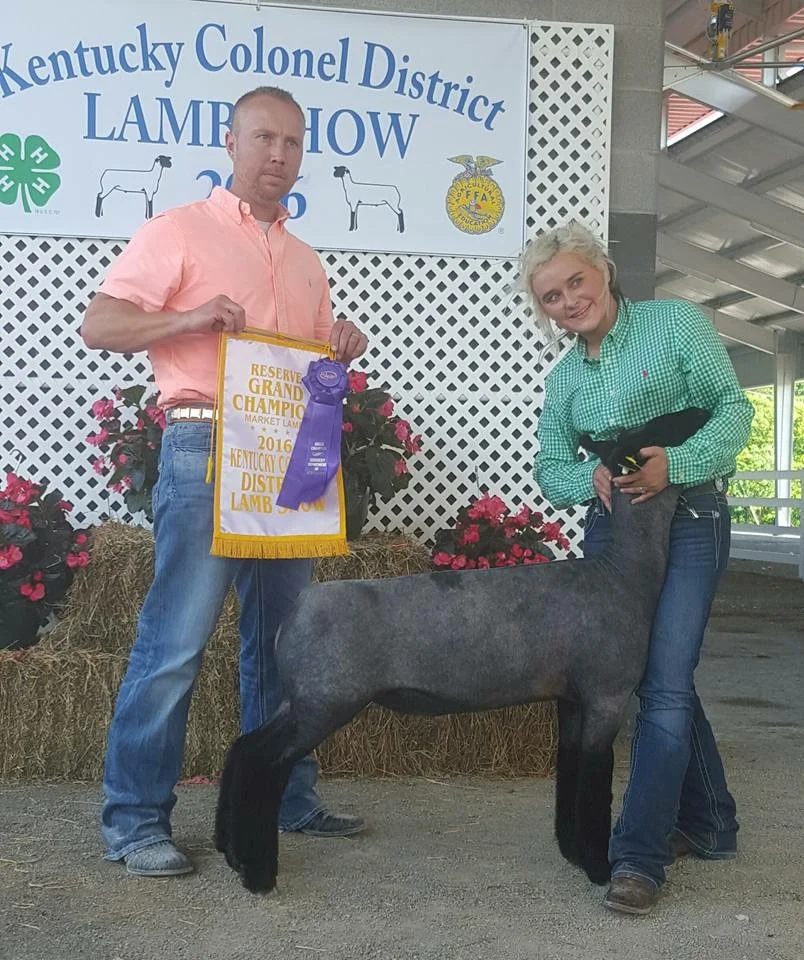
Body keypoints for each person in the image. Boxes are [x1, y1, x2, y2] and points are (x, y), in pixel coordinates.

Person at [81, 86, 369, 878]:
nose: (279, 154)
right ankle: (135, 820)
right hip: (204, 444)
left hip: (285, 458)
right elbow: (99, 323)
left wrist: (340, 343)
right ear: (231, 142)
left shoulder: (306, 262)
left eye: (293, 142)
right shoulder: (177, 230)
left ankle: (284, 798)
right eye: (264, 137)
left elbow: (310, 365)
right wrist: (186, 319)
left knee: (286, 646)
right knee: (175, 644)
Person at [526, 221, 754, 916]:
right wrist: (588, 477)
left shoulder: (675, 326)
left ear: (603, 270)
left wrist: (675, 464)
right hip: (613, 532)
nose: (569, 300)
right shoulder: (566, 379)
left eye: (576, 281)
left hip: (691, 516)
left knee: (665, 680)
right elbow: (550, 467)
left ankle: (638, 856)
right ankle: (711, 822)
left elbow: (734, 410)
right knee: (657, 676)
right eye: (552, 296)